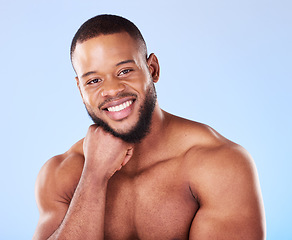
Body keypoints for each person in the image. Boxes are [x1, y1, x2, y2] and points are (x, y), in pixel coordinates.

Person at [33, 14, 265, 240]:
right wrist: (93, 177)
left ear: (152, 69)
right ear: (80, 89)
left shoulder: (219, 165)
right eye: (94, 80)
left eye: (124, 71)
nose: (112, 90)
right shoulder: (61, 174)